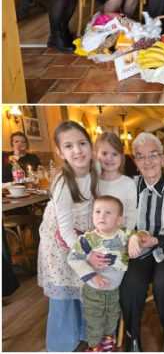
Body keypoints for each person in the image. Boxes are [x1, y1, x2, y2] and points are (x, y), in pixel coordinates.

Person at [122, 132, 164, 352]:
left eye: (152, 155)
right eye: (140, 156)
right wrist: (132, 236)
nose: (147, 161)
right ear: (135, 161)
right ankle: (132, 340)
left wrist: (155, 240)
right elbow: (122, 222)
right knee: (131, 283)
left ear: (162, 158)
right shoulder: (129, 186)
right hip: (138, 251)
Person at [37, 120, 98, 351]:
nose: (77, 151)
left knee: (82, 286)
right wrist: (86, 254)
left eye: (82, 143)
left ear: (90, 146)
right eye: (69, 146)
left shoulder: (95, 170)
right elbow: (65, 229)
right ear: (60, 152)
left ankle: (82, 333)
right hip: (60, 239)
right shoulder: (63, 182)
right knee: (64, 291)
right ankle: (60, 345)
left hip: (82, 233)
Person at [67, 195, 132, 353]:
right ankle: (94, 347)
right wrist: (92, 275)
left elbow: (141, 234)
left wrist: (138, 238)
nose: (102, 216)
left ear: (119, 220)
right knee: (95, 321)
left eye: (108, 212)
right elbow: (73, 258)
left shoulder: (124, 235)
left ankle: (108, 343)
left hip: (114, 290)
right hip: (94, 291)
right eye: (97, 212)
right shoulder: (87, 239)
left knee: (112, 318)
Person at [95, 132, 137, 230]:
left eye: (115, 154)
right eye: (104, 153)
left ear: (121, 157)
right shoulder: (93, 182)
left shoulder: (128, 183)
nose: (109, 158)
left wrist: (124, 235)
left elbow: (131, 215)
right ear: (96, 155)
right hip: (96, 234)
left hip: (121, 235)